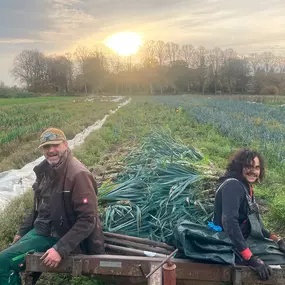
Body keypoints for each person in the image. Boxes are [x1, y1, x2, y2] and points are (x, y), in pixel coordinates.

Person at [0, 127, 105, 285]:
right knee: (8, 254)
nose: (51, 150)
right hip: (44, 230)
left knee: (3, 263)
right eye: (46, 147)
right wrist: (22, 232)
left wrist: (60, 249)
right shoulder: (46, 171)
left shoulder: (78, 175)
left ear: (65, 145)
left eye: (56, 145)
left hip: (60, 235)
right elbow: (38, 208)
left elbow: (88, 219)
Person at [213, 148, 285, 281]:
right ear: (239, 167)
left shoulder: (246, 186)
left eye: (257, 167)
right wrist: (250, 258)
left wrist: (277, 240)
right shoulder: (233, 186)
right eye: (248, 166)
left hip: (245, 238)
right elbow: (229, 222)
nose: (253, 171)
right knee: (281, 260)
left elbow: (257, 226)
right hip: (230, 242)